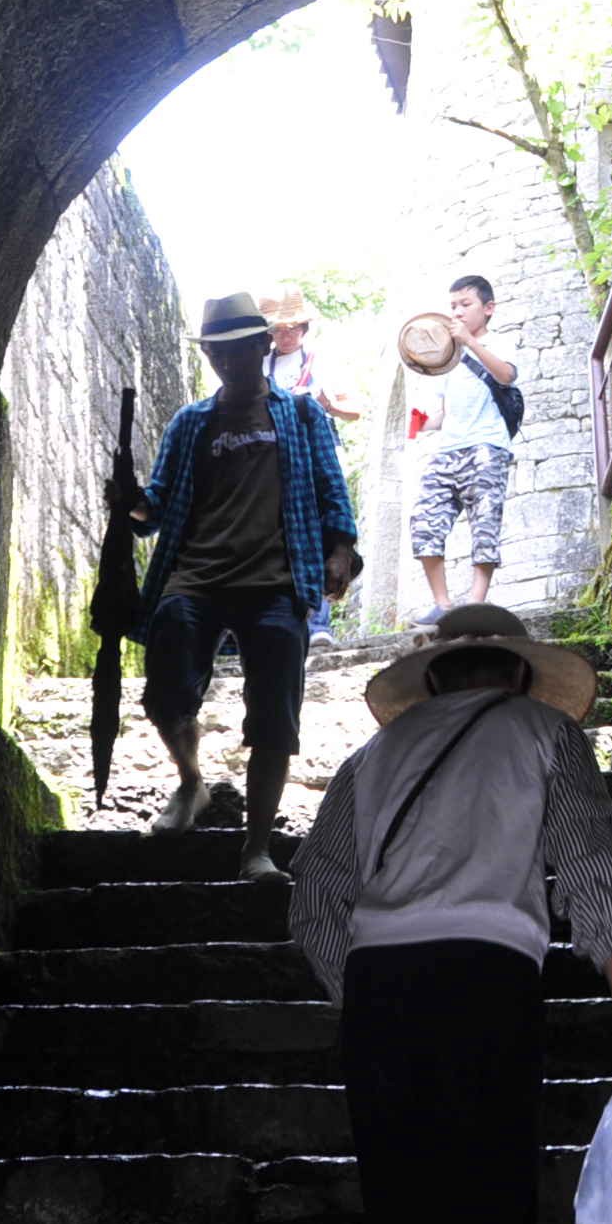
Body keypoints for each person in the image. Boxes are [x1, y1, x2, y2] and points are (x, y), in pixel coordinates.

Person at [290, 605, 612, 1224]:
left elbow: (316, 896)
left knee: (400, 1205)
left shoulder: (368, 759)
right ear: (518, 673)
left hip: (381, 987)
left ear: (436, 678)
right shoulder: (545, 730)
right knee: (488, 1196)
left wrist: (362, 1002)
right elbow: (587, 853)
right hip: (486, 978)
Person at [106, 291, 360, 871]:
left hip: (276, 579)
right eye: (215, 352)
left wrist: (340, 549)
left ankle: (257, 847)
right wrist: (131, 503)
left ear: (262, 345)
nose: (226, 361)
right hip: (194, 575)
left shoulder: (299, 414)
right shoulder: (192, 422)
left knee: (275, 712)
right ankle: (190, 781)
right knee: (166, 684)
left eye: (236, 349)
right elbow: (159, 503)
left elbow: (330, 488)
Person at [407, 273, 519, 625]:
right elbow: (440, 413)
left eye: (465, 305)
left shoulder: (501, 341)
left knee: (484, 524)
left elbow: (506, 376)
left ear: (488, 309)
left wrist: (469, 341)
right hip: (448, 450)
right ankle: (443, 604)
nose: (457, 312)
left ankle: (475, 601)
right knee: (424, 523)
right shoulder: (446, 357)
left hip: (487, 446)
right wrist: (420, 423)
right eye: (453, 305)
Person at [260, 286, 363, 647]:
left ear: (304, 329)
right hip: (274, 464)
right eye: (277, 329)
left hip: (317, 460)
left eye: (292, 328)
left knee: (322, 533)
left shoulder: (320, 364)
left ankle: (320, 622)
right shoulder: (260, 365)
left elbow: (355, 409)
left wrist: (329, 404)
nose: (285, 335)